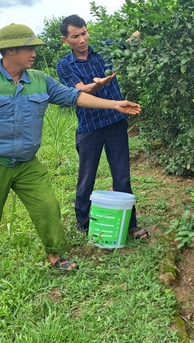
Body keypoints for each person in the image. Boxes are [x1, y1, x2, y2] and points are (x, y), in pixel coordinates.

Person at [0, 23, 141, 295]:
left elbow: (74, 97)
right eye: (29, 48)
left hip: (27, 163)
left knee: (48, 207)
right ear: (11, 50)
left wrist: (115, 104)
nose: (34, 53)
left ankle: (54, 257)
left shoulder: (39, 80)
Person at [55, 14, 149, 240]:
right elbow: (80, 93)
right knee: (87, 175)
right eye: (75, 36)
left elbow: (129, 42)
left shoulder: (105, 51)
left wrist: (148, 24)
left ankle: (130, 223)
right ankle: (83, 222)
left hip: (116, 122)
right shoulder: (64, 65)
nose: (82, 40)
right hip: (89, 127)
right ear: (65, 40)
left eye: (84, 33)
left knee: (122, 175)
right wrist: (98, 85)